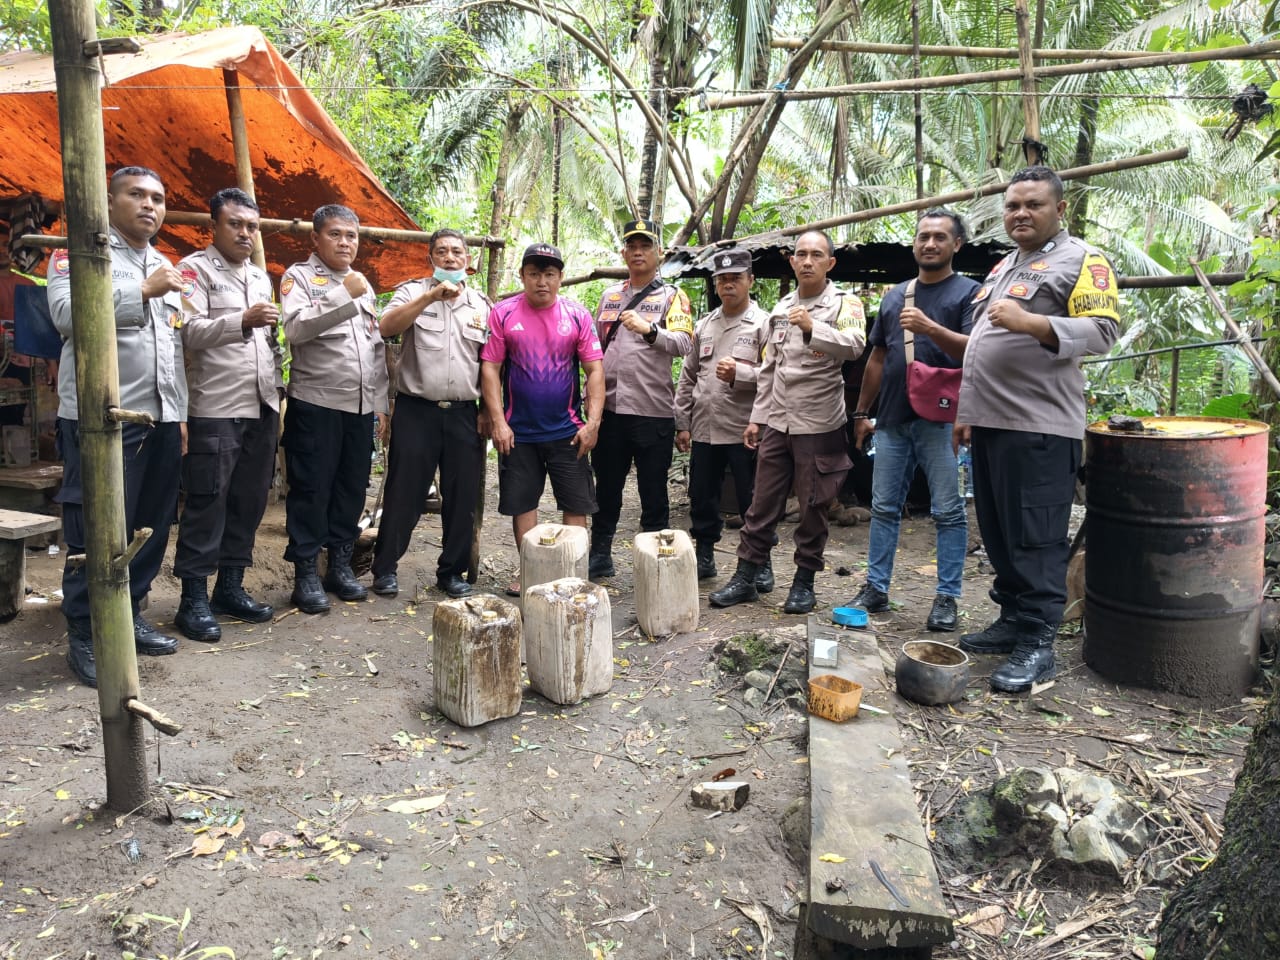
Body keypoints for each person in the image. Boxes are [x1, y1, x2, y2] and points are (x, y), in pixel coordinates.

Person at [956, 165, 1119, 692]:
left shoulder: (1082, 260)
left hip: (1040, 424)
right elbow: (982, 345)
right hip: (991, 423)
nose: (1020, 214)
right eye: (1012, 206)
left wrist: (1032, 323)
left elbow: (1103, 332)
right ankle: (1011, 620)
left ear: (1059, 209)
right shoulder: (1004, 265)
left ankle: (1038, 644)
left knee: (1036, 535)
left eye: (1033, 205)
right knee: (1000, 531)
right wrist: (965, 412)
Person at [47, 166, 187, 687]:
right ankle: (84, 633)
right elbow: (65, 314)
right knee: (94, 527)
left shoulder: (165, 262)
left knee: (150, 521)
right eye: (136, 194)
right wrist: (142, 293)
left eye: (158, 196)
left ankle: (128, 615)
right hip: (101, 418)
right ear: (110, 201)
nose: (149, 205)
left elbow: (171, 346)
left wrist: (180, 416)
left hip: (159, 418)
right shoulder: (79, 253)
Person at [709, 230, 865, 614]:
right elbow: (769, 369)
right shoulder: (780, 308)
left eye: (816, 255)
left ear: (830, 263)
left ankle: (803, 582)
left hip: (819, 422)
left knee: (814, 505)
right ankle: (747, 576)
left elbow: (855, 344)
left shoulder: (846, 303)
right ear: (792, 262)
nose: (807, 261)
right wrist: (757, 419)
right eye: (801, 255)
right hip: (778, 421)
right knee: (761, 503)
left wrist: (814, 328)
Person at [849, 209, 978, 632]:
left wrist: (929, 328)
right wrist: (863, 412)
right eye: (923, 236)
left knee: (948, 510)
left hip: (943, 421)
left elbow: (977, 357)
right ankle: (876, 587)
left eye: (940, 237)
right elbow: (878, 358)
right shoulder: (895, 296)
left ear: (956, 244)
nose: (930, 244)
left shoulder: (970, 294)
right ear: (914, 243)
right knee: (883, 506)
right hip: (893, 419)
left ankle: (947, 596)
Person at [171, 188, 281, 643]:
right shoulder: (192, 270)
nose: (245, 232)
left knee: (250, 500)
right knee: (207, 501)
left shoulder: (259, 275)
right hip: (215, 407)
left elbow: (270, 341)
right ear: (213, 226)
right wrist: (242, 321)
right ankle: (192, 598)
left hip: (262, 404)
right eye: (235, 224)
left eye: (252, 225)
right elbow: (187, 331)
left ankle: (229, 588)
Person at [370, 228, 490, 599]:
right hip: (416, 411)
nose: (450, 258)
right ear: (431, 258)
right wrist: (430, 296)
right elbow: (386, 326)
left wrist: (488, 410)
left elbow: (490, 364)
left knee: (461, 495)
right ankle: (385, 569)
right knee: (403, 492)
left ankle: (451, 572)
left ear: (468, 261)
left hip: (463, 415)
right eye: (442, 252)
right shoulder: (411, 292)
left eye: (457, 252)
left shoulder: (482, 305)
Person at [280, 205, 389, 614]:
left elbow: (375, 351)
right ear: (316, 238)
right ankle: (305, 573)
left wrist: (379, 405)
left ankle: (339, 566)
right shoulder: (300, 277)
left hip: (359, 409)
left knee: (350, 488)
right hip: (316, 403)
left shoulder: (365, 286)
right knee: (311, 489)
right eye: (336, 234)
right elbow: (296, 329)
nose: (345, 243)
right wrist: (345, 295)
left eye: (352, 236)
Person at [481, 242, 604, 594]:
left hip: (568, 431)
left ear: (561, 278)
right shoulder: (503, 313)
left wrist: (592, 423)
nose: (541, 281)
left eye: (549, 274)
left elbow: (595, 370)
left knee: (575, 502)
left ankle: (574, 572)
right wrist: (497, 422)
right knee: (523, 504)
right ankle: (530, 571)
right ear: (522, 276)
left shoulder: (577, 315)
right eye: (534, 273)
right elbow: (490, 368)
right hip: (518, 432)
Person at [589, 218, 693, 578]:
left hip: (653, 413)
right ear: (623, 253)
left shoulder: (673, 297)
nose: (637, 252)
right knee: (607, 487)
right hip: (613, 411)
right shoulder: (609, 297)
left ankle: (655, 562)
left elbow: (683, 343)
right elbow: (594, 350)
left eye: (645, 246)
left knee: (653, 491)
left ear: (658, 253)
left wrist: (651, 330)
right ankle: (600, 553)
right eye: (631, 246)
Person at [672, 246, 771, 587]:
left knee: (752, 499)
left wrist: (741, 374)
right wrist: (682, 423)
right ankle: (705, 556)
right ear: (715, 284)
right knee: (702, 495)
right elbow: (688, 376)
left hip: (745, 427)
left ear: (750, 281)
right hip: (704, 427)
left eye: (736, 278)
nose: (728, 285)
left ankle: (761, 562)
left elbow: (774, 375)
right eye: (722, 279)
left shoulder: (763, 324)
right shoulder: (705, 325)